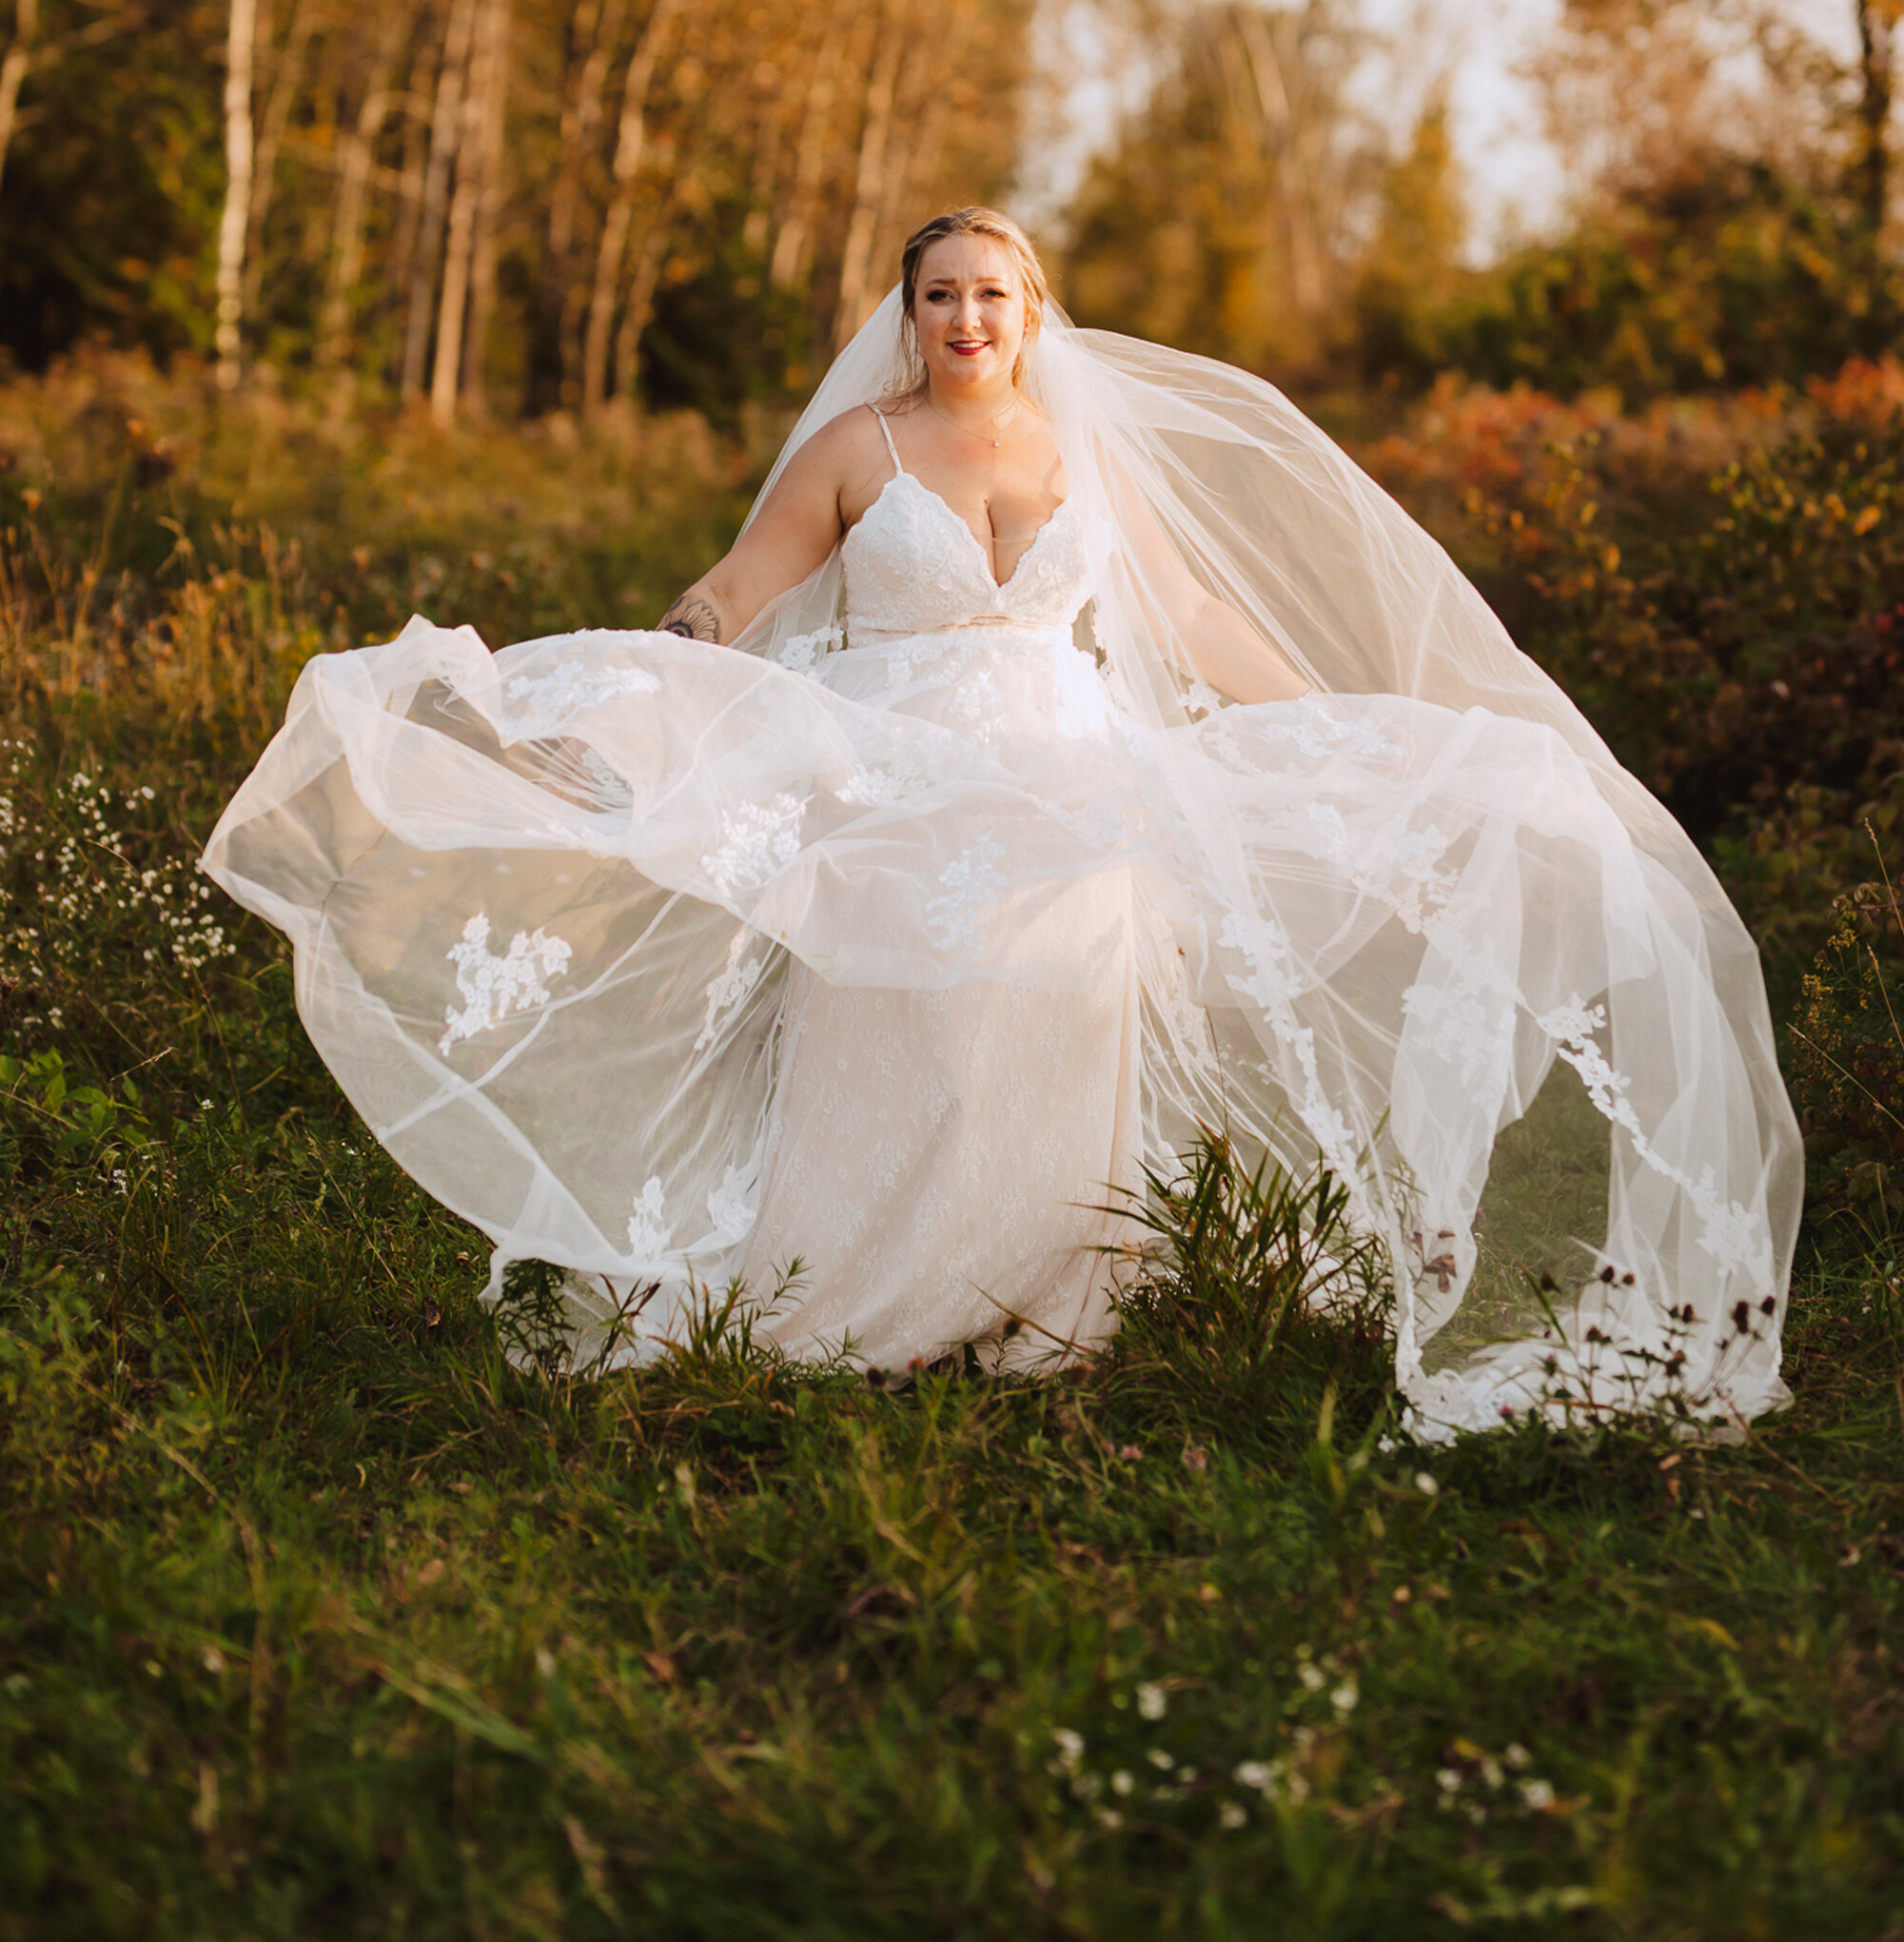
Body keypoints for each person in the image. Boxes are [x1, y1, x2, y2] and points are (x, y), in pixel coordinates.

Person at [204, 206, 1802, 1439]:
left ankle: (1054, 1299)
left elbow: (1183, 610)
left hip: (1075, 782)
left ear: (1034, 312)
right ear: (908, 314)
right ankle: (857, 1297)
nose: (968, 316)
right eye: (941, 291)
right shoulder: (856, 449)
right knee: (908, 1029)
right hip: (890, 784)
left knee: (1067, 1011)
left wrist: (1329, 717)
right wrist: (666, 663)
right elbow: (742, 589)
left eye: (994, 290)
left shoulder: (1084, 449)